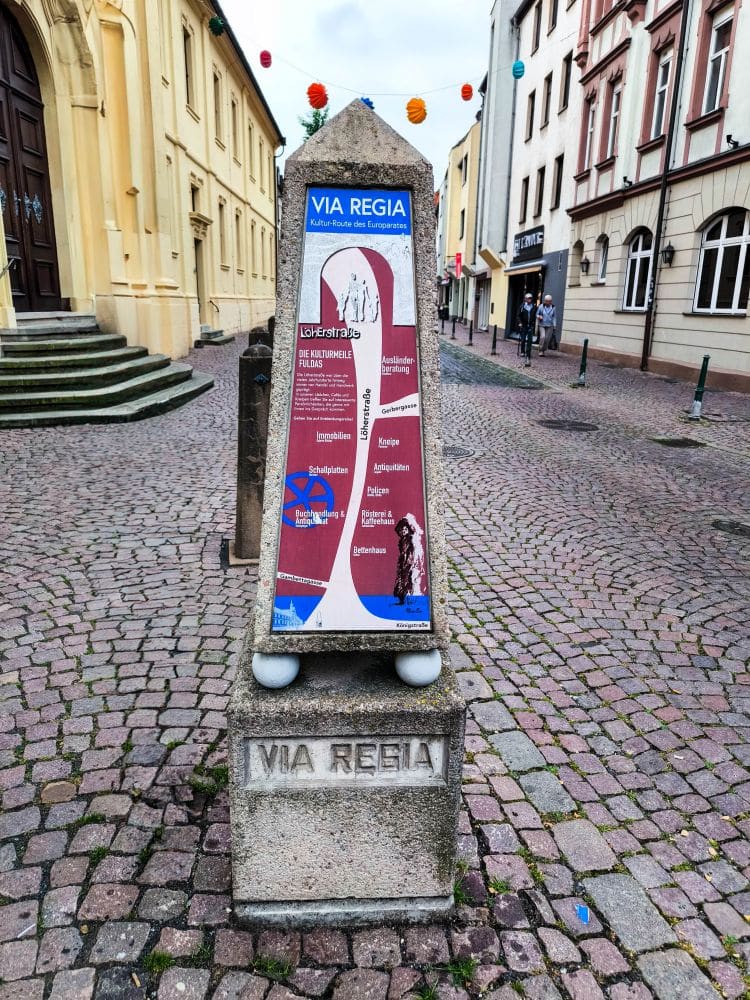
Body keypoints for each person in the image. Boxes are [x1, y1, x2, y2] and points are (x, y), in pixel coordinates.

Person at [517, 293, 536, 367]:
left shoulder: (534, 306)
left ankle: (528, 353)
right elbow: (518, 315)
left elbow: (534, 315)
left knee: (530, 340)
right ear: (525, 299)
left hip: (530, 325)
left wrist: (534, 322)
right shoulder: (522, 306)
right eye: (528, 298)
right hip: (523, 325)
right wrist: (520, 323)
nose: (529, 299)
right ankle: (522, 351)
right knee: (523, 339)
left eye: (530, 298)